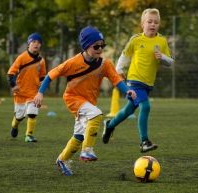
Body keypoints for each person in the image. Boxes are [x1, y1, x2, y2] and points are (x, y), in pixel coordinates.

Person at [34, 26, 136, 176]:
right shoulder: (72, 63)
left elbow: (116, 80)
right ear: (86, 46)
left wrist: (127, 91)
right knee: (96, 114)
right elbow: (50, 75)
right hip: (72, 98)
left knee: (79, 136)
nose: (100, 48)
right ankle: (87, 150)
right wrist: (40, 93)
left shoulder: (105, 64)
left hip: (88, 103)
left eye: (102, 45)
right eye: (96, 46)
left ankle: (62, 160)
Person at [102, 8, 174, 153]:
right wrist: (119, 71)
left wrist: (163, 58)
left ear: (159, 25)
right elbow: (124, 55)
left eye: (156, 22)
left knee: (129, 110)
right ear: (142, 24)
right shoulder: (136, 40)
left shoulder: (161, 41)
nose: (152, 24)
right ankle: (144, 141)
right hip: (134, 81)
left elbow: (170, 61)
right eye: (149, 21)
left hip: (148, 83)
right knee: (145, 106)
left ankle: (110, 124)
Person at [7, 32, 46, 142]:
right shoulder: (21, 58)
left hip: (34, 92)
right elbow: (10, 73)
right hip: (20, 93)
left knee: (32, 114)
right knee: (19, 117)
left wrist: (42, 89)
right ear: (28, 44)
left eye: (38, 42)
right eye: (33, 42)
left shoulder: (41, 61)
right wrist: (13, 85)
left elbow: (43, 76)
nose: (36, 44)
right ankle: (15, 125)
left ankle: (29, 135)